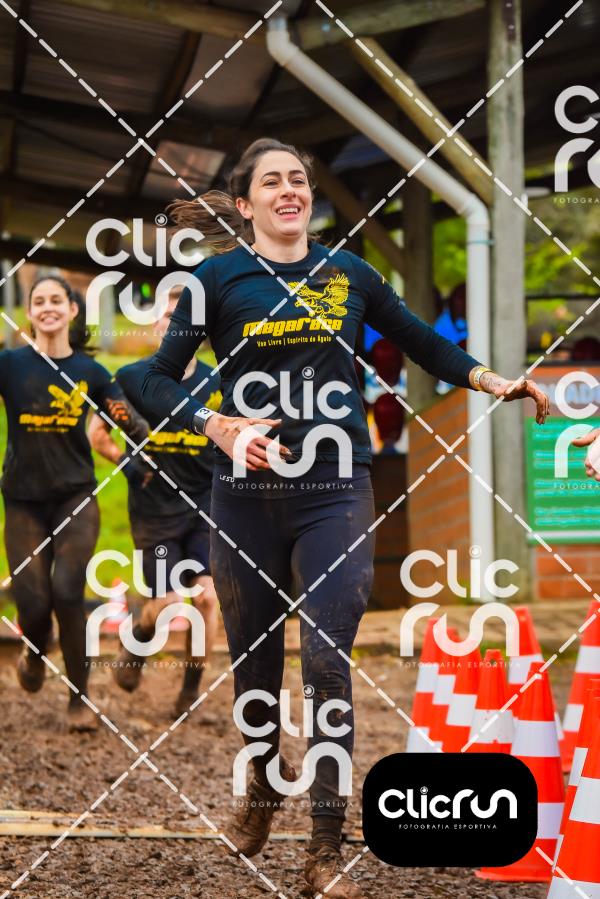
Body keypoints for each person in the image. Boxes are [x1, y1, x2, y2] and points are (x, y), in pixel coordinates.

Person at [141, 137, 550, 898]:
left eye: (298, 179)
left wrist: (492, 379)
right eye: (273, 182)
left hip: (335, 486)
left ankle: (324, 850)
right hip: (245, 496)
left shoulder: (349, 273)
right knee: (256, 667)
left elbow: (420, 340)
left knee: (327, 660)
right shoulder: (215, 280)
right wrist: (218, 425)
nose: (290, 190)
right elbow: (152, 377)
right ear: (245, 204)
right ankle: (263, 782)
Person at [0, 276, 148, 731]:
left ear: (71, 311)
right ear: (29, 313)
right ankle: (35, 648)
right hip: (22, 501)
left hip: (75, 496)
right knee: (33, 605)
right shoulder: (9, 364)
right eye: (38, 301)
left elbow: (126, 417)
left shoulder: (91, 372)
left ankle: (79, 700)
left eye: (56, 300)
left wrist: (139, 439)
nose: (47, 307)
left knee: (67, 591)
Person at [88, 285, 222, 717]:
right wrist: (126, 464)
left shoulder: (219, 382)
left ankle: (190, 690)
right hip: (154, 510)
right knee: (166, 604)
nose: (176, 324)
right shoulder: (131, 378)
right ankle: (137, 643)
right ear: (155, 325)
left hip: (205, 505)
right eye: (169, 316)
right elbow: (97, 434)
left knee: (206, 599)